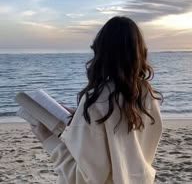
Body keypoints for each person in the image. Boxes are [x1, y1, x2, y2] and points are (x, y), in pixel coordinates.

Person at [31, 16, 163, 184]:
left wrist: (46, 138)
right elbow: (121, 131)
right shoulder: (147, 97)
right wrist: (78, 116)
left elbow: (83, 178)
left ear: (101, 53)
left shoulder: (96, 104)